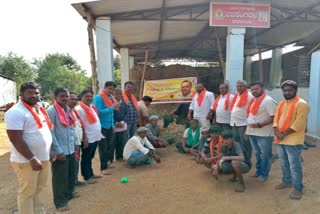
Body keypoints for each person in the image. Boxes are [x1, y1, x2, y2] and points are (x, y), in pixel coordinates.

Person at [5, 82, 54, 214]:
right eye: (30, 93)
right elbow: (15, 138)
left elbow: (43, 133)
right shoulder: (16, 111)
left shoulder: (39, 109)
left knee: (40, 190)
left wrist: (50, 150)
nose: (34, 95)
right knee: (27, 192)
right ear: (21, 94)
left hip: (43, 158)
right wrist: (32, 158)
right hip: (26, 161)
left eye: (36, 93)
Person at [273, 80, 309, 200]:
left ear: (296, 90)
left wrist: (284, 134)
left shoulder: (301, 104)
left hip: (293, 140)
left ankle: (298, 188)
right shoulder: (281, 103)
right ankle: (286, 181)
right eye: (285, 90)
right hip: (281, 139)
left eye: (290, 90)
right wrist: (277, 132)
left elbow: (299, 123)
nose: (287, 92)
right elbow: (276, 120)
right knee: (283, 163)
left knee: (295, 165)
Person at [47, 87, 78, 212]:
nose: (65, 98)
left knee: (71, 174)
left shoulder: (68, 110)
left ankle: (68, 195)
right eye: (62, 96)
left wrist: (75, 144)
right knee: (60, 178)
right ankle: (60, 203)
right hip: (61, 151)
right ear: (55, 97)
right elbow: (51, 132)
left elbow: (71, 129)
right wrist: (58, 150)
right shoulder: (51, 111)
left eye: (67, 96)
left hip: (71, 148)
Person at [246, 81, 277, 181]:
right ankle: (259, 171)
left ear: (262, 88)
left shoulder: (268, 101)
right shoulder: (253, 101)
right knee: (258, 154)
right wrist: (247, 131)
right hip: (252, 133)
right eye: (252, 89)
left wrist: (260, 124)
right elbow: (251, 117)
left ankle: (264, 174)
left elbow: (274, 117)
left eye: (256, 89)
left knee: (265, 155)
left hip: (264, 134)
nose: (254, 91)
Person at [77, 89, 104, 183]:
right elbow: (81, 125)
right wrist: (85, 138)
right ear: (81, 98)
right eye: (86, 96)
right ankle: (87, 177)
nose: (89, 98)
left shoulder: (92, 107)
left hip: (95, 137)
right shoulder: (79, 110)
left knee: (90, 156)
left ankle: (91, 173)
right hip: (88, 138)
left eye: (90, 96)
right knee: (86, 157)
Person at [93, 81, 120, 175]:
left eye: (113, 89)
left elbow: (111, 114)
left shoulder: (111, 97)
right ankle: (103, 167)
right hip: (101, 126)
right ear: (104, 87)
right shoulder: (98, 97)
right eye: (110, 88)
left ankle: (107, 163)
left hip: (109, 125)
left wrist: (112, 125)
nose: (111, 91)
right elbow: (99, 112)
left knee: (109, 146)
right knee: (103, 147)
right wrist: (112, 107)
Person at [229, 80, 253, 165]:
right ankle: (239, 157)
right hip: (234, 123)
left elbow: (252, 109)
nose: (239, 88)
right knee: (237, 142)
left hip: (243, 123)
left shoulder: (249, 96)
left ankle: (247, 160)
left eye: (241, 86)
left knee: (245, 143)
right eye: (237, 86)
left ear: (246, 87)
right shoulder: (237, 95)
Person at [67, 92, 88, 186]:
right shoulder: (65, 112)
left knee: (76, 162)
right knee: (71, 164)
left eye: (76, 99)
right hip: (70, 143)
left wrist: (84, 137)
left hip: (77, 141)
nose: (74, 101)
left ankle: (74, 180)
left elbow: (81, 125)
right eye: (72, 99)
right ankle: (70, 184)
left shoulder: (74, 111)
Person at [113, 88, 128, 161]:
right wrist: (115, 122)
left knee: (123, 141)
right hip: (114, 126)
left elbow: (126, 114)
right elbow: (110, 114)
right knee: (116, 142)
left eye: (120, 94)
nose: (118, 95)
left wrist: (122, 122)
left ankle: (122, 156)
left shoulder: (124, 103)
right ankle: (117, 157)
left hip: (123, 125)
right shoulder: (110, 103)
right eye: (116, 94)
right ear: (113, 94)